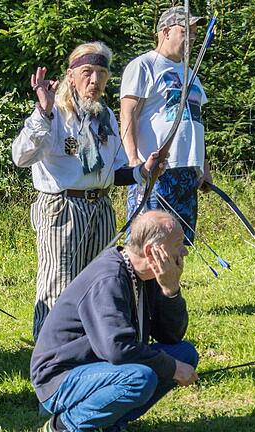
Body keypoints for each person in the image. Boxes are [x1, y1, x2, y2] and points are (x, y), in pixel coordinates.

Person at [12, 41, 162, 341]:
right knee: (59, 282)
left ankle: (87, 344)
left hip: (100, 208)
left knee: (100, 280)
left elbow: (113, 172)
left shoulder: (104, 116)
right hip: (62, 208)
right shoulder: (52, 115)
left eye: (102, 73)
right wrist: (42, 111)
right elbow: (21, 157)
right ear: (71, 75)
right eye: (87, 72)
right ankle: (49, 352)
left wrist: (143, 171)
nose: (95, 80)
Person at [31, 210, 199, 432]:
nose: (184, 251)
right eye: (178, 244)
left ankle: (110, 422)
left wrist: (171, 291)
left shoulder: (145, 273)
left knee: (184, 353)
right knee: (140, 378)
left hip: (100, 367)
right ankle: (62, 426)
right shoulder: (109, 279)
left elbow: (171, 336)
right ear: (152, 251)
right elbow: (118, 349)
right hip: (60, 377)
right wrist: (172, 368)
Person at [120, 5, 213, 245]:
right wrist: (133, 162)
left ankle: (171, 284)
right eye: (186, 31)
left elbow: (195, 121)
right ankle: (142, 284)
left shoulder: (190, 72)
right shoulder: (144, 65)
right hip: (157, 170)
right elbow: (128, 113)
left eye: (194, 33)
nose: (192, 38)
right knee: (148, 242)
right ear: (166, 31)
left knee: (179, 244)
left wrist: (203, 165)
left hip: (187, 170)